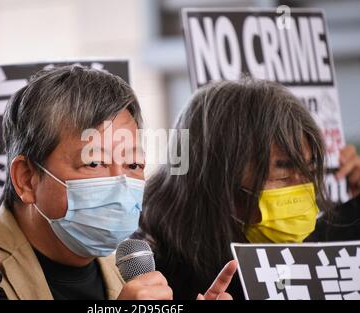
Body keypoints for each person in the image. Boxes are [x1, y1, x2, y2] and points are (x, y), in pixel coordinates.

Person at [0, 65, 235, 300]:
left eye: (134, 164)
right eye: (94, 162)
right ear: (26, 179)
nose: (122, 183)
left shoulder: (127, 266)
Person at [135, 77, 360, 300]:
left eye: (309, 170)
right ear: (218, 178)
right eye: (283, 173)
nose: (303, 190)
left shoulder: (318, 252)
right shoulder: (146, 277)